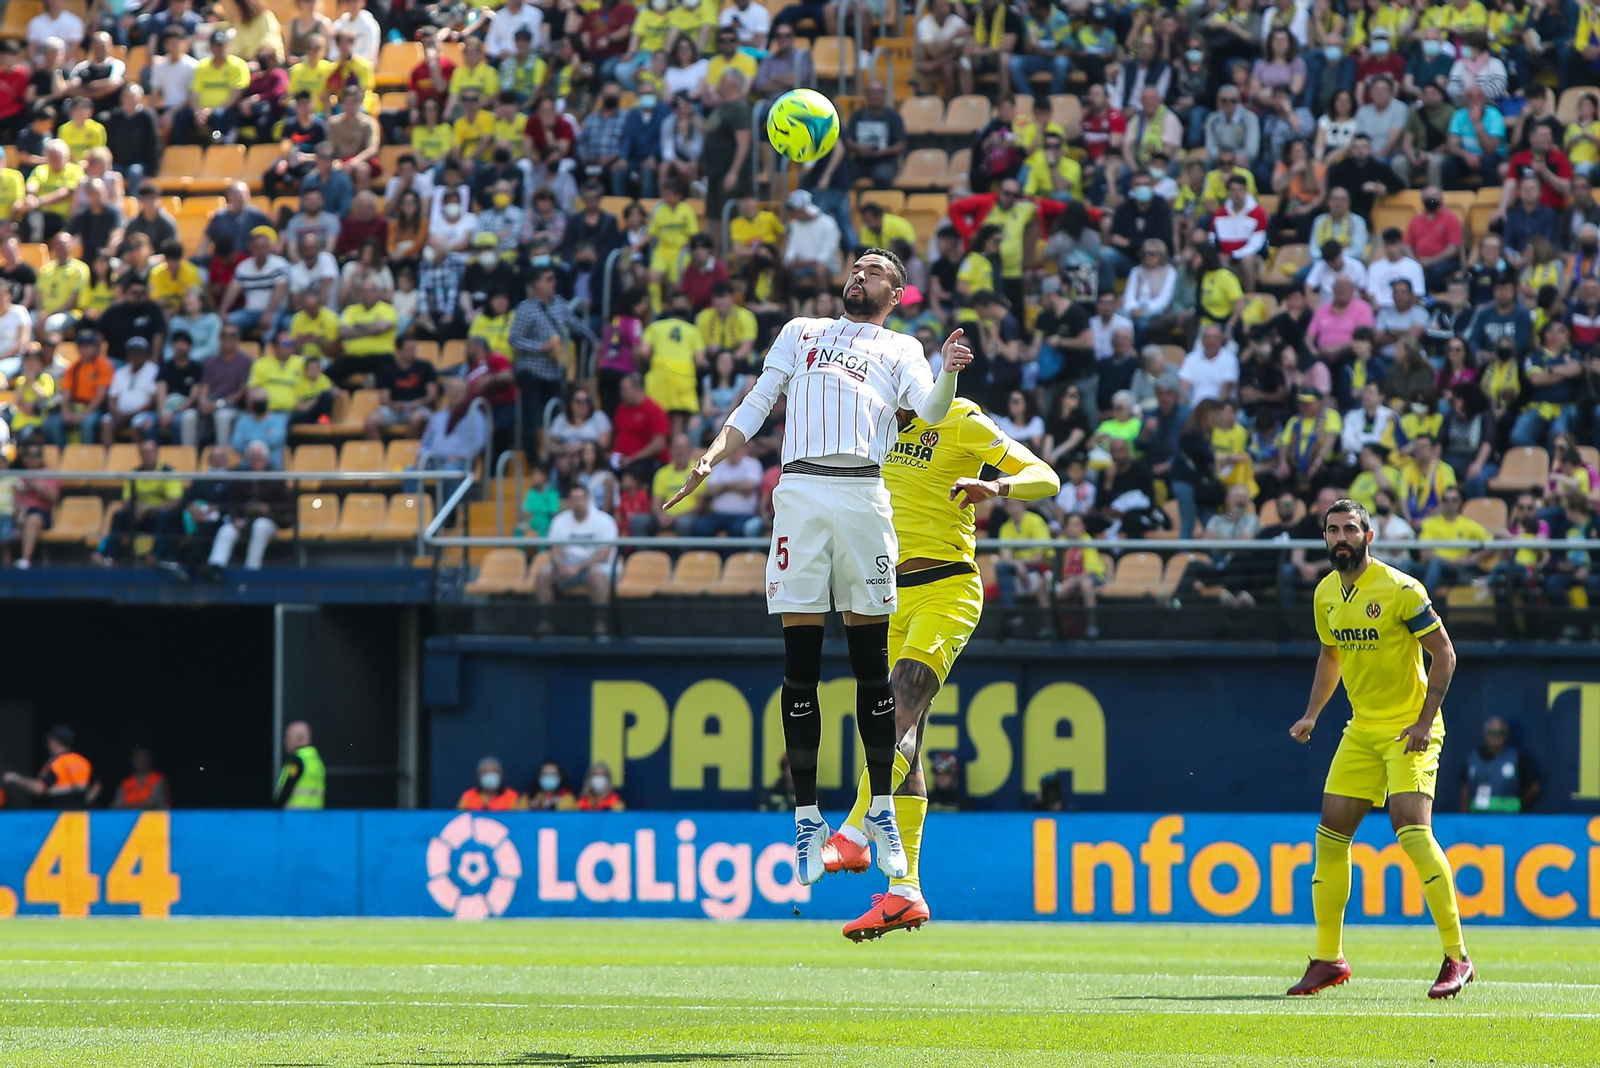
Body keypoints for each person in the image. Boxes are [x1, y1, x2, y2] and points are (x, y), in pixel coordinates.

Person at [666, 247, 971, 888]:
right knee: (799, 665)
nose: (859, 275)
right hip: (800, 494)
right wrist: (710, 457)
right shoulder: (801, 333)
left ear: (897, 294)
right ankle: (808, 817)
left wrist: (947, 372)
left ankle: (880, 813)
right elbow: (756, 404)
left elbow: (936, 411)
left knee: (870, 668)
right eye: (856, 268)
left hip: (865, 495)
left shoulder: (905, 351)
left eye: (876, 271)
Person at [1286, 498, 1471, 1000]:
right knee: (1329, 838)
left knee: (1411, 832)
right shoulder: (1325, 593)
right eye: (1332, 530)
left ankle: (1457, 956)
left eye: (1349, 529)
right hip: (1362, 729)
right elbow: (1331, 655)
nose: (1340, 537)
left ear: (1369, 536)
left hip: (1411, 729)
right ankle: (1329, 959)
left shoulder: (1401, 590)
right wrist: (1312, 714)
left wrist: (1424, 721)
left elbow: (1445, 655)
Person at [534, 482, 618, 637]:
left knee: (596, 575)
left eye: (580, 498)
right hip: (567, 566)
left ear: (588, 499)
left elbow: (604, 554)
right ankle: (546, 624)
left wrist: (577, 568)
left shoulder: (604, 520)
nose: (577, 503)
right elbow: (555, 550)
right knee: (543, 574)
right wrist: (560, 566)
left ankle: (601, 624)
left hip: (598, 566)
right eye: (573, 499)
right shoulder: (559, 521)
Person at [206, 439, 291, 571]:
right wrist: (235, 519)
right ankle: (215, 566)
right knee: (226, 530)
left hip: (270, 520)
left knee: (260, 526)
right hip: (244, 520)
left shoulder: (276, 477)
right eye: (252, 458)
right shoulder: (241, 476)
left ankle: (252, 568)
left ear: (266, 459)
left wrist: (268, 508)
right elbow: (232, 503)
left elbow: (287, 506)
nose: (255, 461)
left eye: (259, 458)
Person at [1460, 716, 1541, 813]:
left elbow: (1534, 788)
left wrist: (1519, 805)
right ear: (1485, 734)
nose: (1496, 737)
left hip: (1507, 819)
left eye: (1500, 733)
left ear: (1506, 735)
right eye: (1492, 733)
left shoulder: (1516, 758)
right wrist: (1464, 816)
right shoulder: (1472, 759)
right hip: (1478, 817)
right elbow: (1465, 790)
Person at [2, 725, 95, 809]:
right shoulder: (83, 762)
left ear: (55, 742)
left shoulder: (56, 764)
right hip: (81, 817)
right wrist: (84, 803)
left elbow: (39, 788)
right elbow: (97, 785)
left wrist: (16, 778)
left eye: (50, 740)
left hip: (58, 818)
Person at [272, 720, 325, 808]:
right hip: (315, 816)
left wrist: (274, 809)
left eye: (288, 736)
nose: (285, 741)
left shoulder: (297, 761)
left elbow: (287, 788)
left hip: (295, 816)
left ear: (299, 738)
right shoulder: (316, 760)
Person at [458, 756, 525, 810]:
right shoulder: (467, 797)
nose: (490, 775)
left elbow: (518, 822)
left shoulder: (512, 797)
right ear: (478, 776)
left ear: (501, 775)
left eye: (494, 771)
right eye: (485, 772)